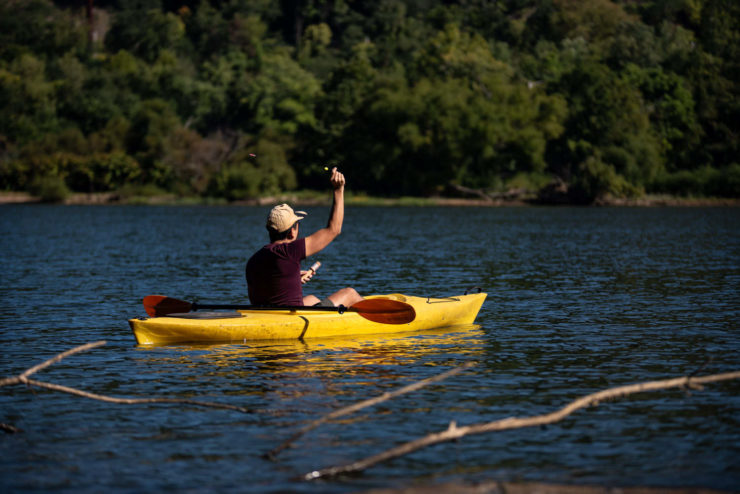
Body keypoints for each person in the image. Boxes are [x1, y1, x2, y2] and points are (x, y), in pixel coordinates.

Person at [245, 167, 363, 308]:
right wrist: (338, 190)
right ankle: (382, 318)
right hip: (289, 320)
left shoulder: (254, 259)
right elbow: (334, 230)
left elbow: (265, 293)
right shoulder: (289, 251)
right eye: (297, 224)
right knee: (350, 293)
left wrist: (292, 278)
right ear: (292, 232)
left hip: (267, 316)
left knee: (312, 299)